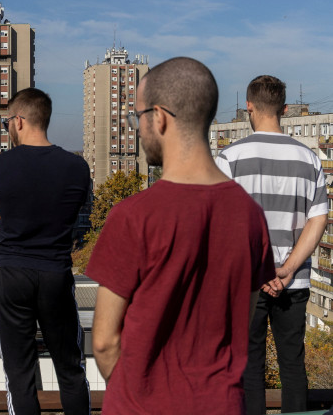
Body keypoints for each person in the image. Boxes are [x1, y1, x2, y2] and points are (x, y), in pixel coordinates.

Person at [86, 57, 275, 414]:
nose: (138, 128)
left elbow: (104, 343)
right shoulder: (251, 216)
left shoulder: (133, 216)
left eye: (138, 117)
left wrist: (136, 396)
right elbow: (240, 322)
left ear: (159, 117)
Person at [215, 75, 327, 414]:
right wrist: (288, 268)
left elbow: (223, 224)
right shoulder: (309, 159)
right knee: (293, 364)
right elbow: (317, 219)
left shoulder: (229, 158)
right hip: (294, 281)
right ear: (285, 109)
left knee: (250, 366)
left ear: (248, 106)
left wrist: (260, 269)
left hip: (246, 281)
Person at [0, 87, 91, 415]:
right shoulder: (77, 167)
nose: (7, 128)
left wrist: (0, 209)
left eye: (7, 123)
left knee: (20, 376)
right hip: (56, 273)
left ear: (20, 121)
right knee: (71, 370)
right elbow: (67, 210)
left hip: (11, 275)